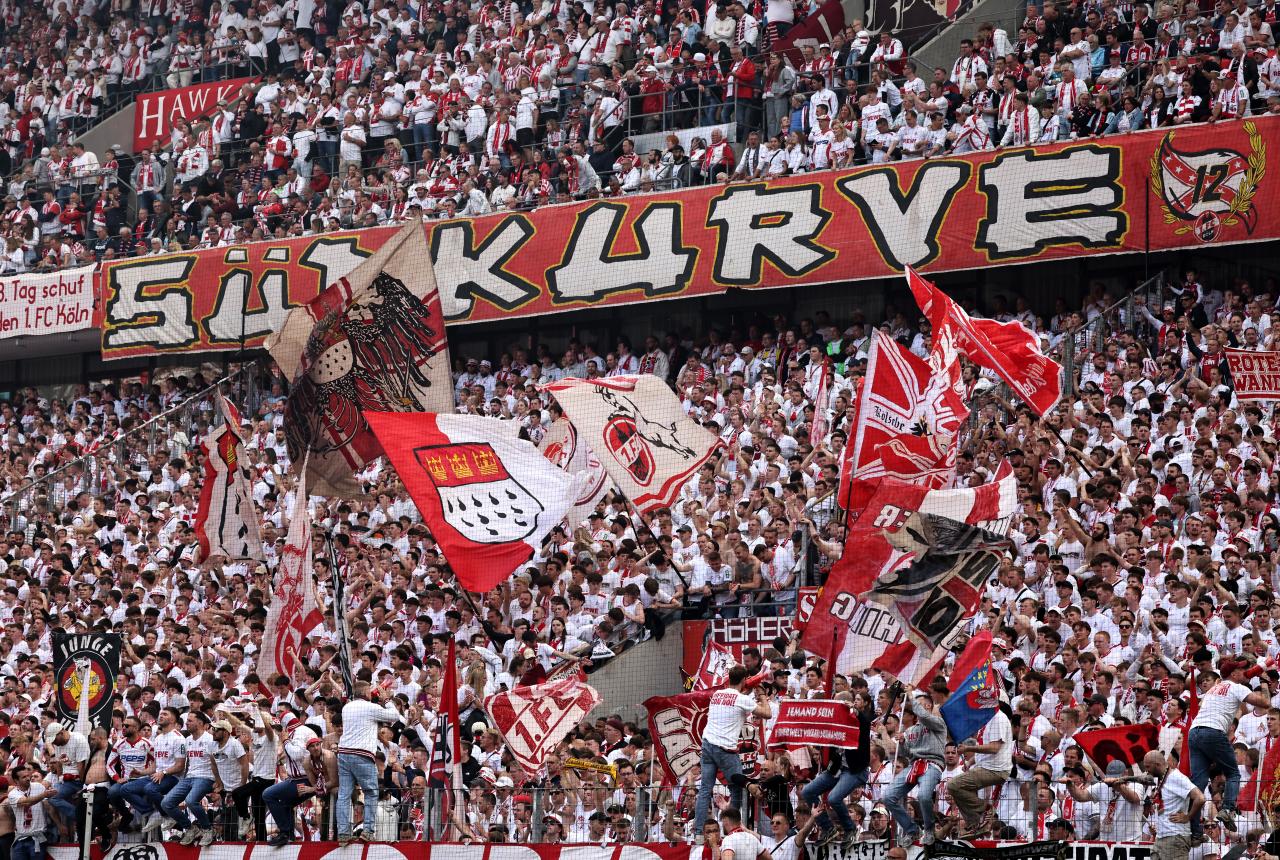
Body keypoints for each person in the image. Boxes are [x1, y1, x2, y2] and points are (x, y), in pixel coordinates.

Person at [1189, 659, 1269, 830]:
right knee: (1233, 773)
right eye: (1241, 670)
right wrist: (1264, 683)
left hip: (1194, 732)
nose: (1244, 672)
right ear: (1234, 674)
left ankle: (1194, 829)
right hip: (1213, 731)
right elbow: (1266, 704)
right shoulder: (1236, 687)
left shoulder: (1213, 688)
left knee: (1199, 781)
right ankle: (1227, 810)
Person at [693, 666, 774, 834]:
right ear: (744, 680)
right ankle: (732, 830)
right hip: (726, 750)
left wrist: (747, 689)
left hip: (707, 745)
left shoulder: (718, 694)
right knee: (737, 789)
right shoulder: (742, 699)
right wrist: (761, 695)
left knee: (705, 790)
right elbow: (767, 713)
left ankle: (699, 832)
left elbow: (734, 699)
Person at [336, 682, 403, 845]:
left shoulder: (347, 707)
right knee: (372, 793)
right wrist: (386, 700)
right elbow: (394, 716)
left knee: (344, 794)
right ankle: (368, 831)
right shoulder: (370, 707)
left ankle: (343, 833)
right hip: (362, 755)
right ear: (366, 692)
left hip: (344, 753)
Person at [882, 685, 948, 846]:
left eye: (918, 703)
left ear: (928, 706)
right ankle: (912, 830)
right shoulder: (910, 730)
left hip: (933, 764)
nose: (914, 705)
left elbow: (923, 716)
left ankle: (929, 830)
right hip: (914, 765)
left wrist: (911, 695)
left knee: (924, 796)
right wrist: (902, 743)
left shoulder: (938, 723)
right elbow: (905, 753)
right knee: (888, 797)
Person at [947, 702, 1013, 838]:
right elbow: (984, 748)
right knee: (961, 791)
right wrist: (970, 761)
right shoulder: (986, 718)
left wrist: (968, 748)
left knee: (953, 785)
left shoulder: (998, 718)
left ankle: (986, 809)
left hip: (995, 770)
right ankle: (976, 825)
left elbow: (994, 748)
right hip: (985, 766)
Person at [161, 710, 218, 846]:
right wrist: (183, 780)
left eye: (190, 721)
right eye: (186, 721)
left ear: (200, 723)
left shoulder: (210, 739)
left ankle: (208, 829)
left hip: (205, 777)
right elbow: (186, 764)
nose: (186, 723)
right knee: (166, 803)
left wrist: (218, 782)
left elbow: (217, 763)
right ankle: (191, 828)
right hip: (189, 777)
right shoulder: (187, 740)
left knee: (191, 801)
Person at [1142, 750, 1204, 860]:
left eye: (1148, 767)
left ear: (1157, 765)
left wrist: (1187, 817)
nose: (1146, 770)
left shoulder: (1176, 777)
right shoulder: (1161, 778)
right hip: (1162, 837)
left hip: (1175, 837)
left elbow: (1200, 798)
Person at [7, 766, 49, 860]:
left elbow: (48, 807)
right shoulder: (12, 794)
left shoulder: (38, 787)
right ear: (16, 780)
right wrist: (43, 795)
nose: (28, 778)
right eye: (24, 777)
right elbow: (26, 802)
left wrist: (60, 824)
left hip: (37, 838)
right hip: (20, 839)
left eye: (28, 775)